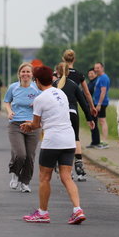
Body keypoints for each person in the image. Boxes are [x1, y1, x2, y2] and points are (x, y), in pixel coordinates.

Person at [21, 65, 86, 225]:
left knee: (44, 177)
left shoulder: (40, 99)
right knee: (66, 176)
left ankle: (43, 213)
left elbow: (36, 124)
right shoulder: (61, 94)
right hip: (69, 139)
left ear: (37, 81)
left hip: (53, 140)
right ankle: (77, 210)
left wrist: (28, 125)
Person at [54, 63, 95, 181]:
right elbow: (83, 103)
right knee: (75, 138)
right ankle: (79, 166)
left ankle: (66, 168)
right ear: (67, 72)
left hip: (59, 115)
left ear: (57, 72)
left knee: (60, 140)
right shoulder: (74, 85)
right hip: (72, 114)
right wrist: (89, 118)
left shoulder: (53, 86)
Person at [3, 63, 41, 193]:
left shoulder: (37, 88)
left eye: (28, 72)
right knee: (20, 154)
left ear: (32, 74)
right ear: (19, 74)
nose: (25, 74)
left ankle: (25, 182)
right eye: (23, 72)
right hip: (16, 124)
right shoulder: (13, 87)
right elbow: (7, 101)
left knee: (30, 156)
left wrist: (37, 103)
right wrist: (9, 111)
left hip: (33, 125)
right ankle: (15, 173)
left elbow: (44, 101)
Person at [93, 62, 110, 149]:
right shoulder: (99, 77)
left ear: (102, 68)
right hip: (98, 102)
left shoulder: (104, 78)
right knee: (100, 121)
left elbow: (103, 91)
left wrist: (99, 104)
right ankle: (101, 140)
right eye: (95, 68)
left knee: (103, 121)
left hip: (102, 103)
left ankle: (105, 141)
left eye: (98, 68)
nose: (96, 69)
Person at [87, 68, 100, 148]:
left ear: (95, 74)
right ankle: (94, 141)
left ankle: (95, 142)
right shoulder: (91, 82)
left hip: (93, 105)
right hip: (90, 105)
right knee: (92, 123)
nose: (90, 75)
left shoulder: (95, 83)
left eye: (92, 73)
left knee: (93, 123)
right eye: (89, 73)